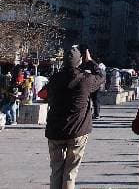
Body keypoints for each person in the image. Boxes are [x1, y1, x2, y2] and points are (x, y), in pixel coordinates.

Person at [45, 45, 105, 189]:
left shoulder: (54, 78)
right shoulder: (86, 79)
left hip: (55, 130)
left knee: (56, 170)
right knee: (70, 171)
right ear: (80, 62)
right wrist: (90, 61)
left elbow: (48, 96)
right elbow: (102, 76)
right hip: (77, 129)